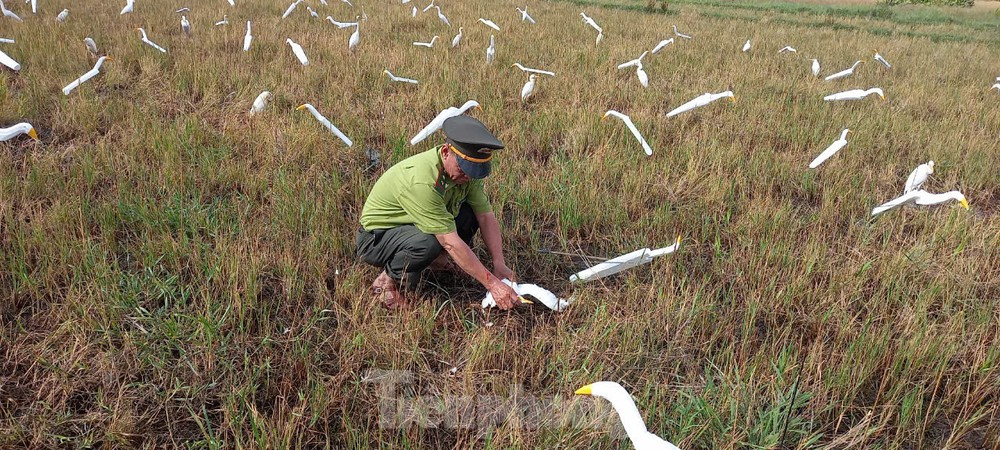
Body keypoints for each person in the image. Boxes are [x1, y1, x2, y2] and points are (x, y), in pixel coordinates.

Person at [356, 115, 521, 309]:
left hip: (414, 225)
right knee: (430, 241)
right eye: (464, 168)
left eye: (474, 171)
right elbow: (449, 241)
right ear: (445, 152)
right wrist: (492, 283)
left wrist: (498, 263)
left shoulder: (465, 176)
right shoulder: (422, 181)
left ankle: (435, 261)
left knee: (469, 215)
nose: (468, 176)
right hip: (377, 239)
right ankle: (385, 283)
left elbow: (485, 216)